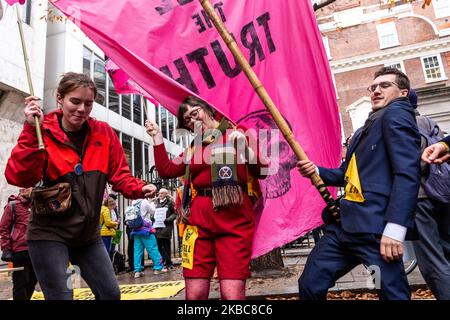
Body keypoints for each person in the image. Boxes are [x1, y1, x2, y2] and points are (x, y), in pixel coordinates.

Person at [4, 72, 157, 300]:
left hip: (87, 237)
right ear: (59, 98)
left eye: (88, 103)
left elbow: (120, 175)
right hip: (49, 235)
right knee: (63, 296)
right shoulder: (41, 129)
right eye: (75, 101)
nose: (81, 109)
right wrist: (29, 129)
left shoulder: (104, 133)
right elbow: (18, 176)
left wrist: (139, 188)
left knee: (110, 294)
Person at [297, 67, 421, 300]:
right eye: (373, 87)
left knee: (391, 293)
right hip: (343, 229)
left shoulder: (397, 114)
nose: (376, 90)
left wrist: (395, 230)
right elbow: (347, 174)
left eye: (385, 86)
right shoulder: (367, 126)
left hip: (376, 232)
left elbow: (407, 174)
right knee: (310, 284)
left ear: (403, 93)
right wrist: (316, 170)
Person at [145, 95, 267, 300]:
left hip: (234, 223)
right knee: (195, 294)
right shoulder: (194, 148)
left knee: (232, 295)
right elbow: (166, 170)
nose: (192, 120)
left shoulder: (237, 132)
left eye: (195, 113)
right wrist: (157, 136)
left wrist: (244, 148)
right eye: (187, 120)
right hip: (198, 223)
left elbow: (263, 170)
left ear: (209, 110)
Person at [408, 89, 450, 299]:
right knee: (447, 250)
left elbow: (416, 164)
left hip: (421, 196)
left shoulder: (406, 125)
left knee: (432, 260)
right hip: (443, 193)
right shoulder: (429, 121)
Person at [0, 188, 38, 300]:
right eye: (23, 187)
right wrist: (6, 249)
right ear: (20, 190)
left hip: (36, 249)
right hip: (19, 250)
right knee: (20, 282)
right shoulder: (12, 205)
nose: (26, 189)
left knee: (33, 280)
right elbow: (4, 229)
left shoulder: (37, 205)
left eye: (29, 186)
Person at [129, 198, 166, 278]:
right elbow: (153, 211)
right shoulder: (144, 201)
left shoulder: (133, 202)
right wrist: (152, 204)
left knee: (137, 251)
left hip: (136, 230)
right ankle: (158, 268)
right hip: (146, 230)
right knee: (152, 249)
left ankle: (137, 271)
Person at [153, 188, 177, 270]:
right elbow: (152, 213)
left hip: (166, 227)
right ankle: (160, 263)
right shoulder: (155, 202)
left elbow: (175, 213)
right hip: (157, 227)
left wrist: (168, 219)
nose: (160, 195)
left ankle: (168, 263)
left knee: (166, 246)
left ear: (166, 194)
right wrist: (153, 217)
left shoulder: (170, 203)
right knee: (158, 246)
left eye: (162, 193)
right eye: (159, 193)